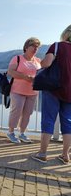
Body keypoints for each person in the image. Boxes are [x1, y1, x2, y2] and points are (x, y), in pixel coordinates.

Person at [31, 25, 71, 164]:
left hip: (53, 89)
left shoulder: (57, 46)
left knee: (48, 120)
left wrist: (41, 62)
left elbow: (46, 64)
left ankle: (42, 153)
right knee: (68, 123)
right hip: (69, 92)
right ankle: (65, 155)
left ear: (65, 34)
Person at [6, 38, 41, 143]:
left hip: (33, 92)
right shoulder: (17, 58)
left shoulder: (38, 61)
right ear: (26, 47)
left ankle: (22, 133)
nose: (36, 48)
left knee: (27, 113)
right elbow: (10, 72)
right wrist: (25, 77)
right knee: (16, 112)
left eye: (37, 47)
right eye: (33, 46)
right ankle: (11, 132)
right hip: (17, 91)